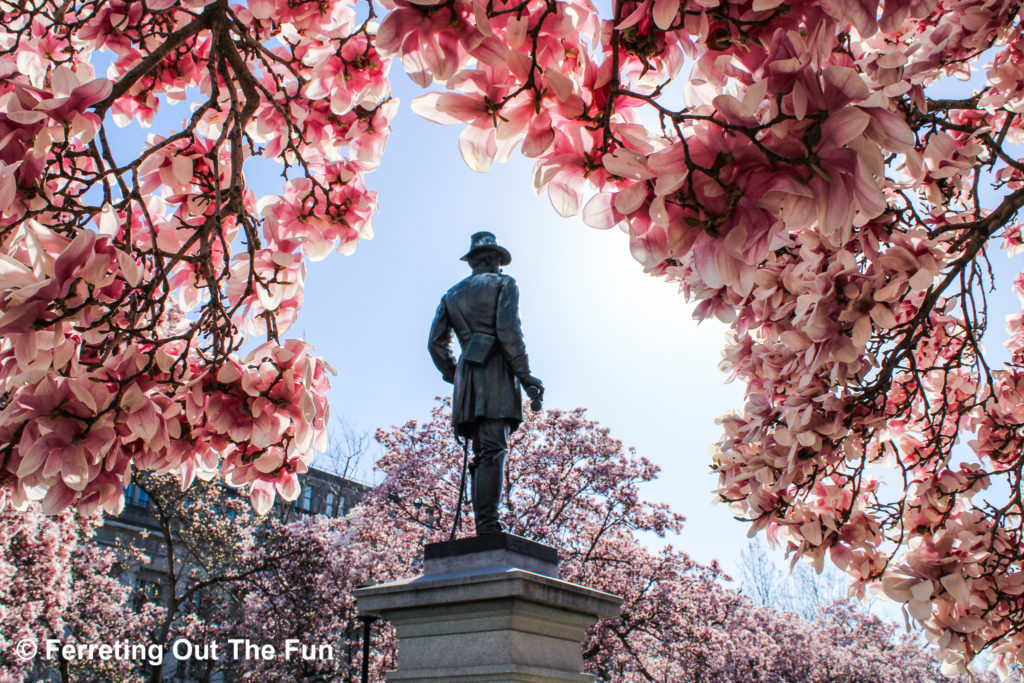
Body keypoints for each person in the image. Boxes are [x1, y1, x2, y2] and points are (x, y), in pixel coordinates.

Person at [428, 232, 543, 535]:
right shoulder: (505, 284)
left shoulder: (451, 294)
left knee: (483, 451)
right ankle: (488, 525)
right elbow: (509, 331)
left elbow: (435, 344)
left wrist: (456, 374)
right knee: (493, 449)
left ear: (473, 262)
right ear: (493, 260)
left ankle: (485, 524)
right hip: (495, 370)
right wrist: (525, 374)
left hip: (467, 375)